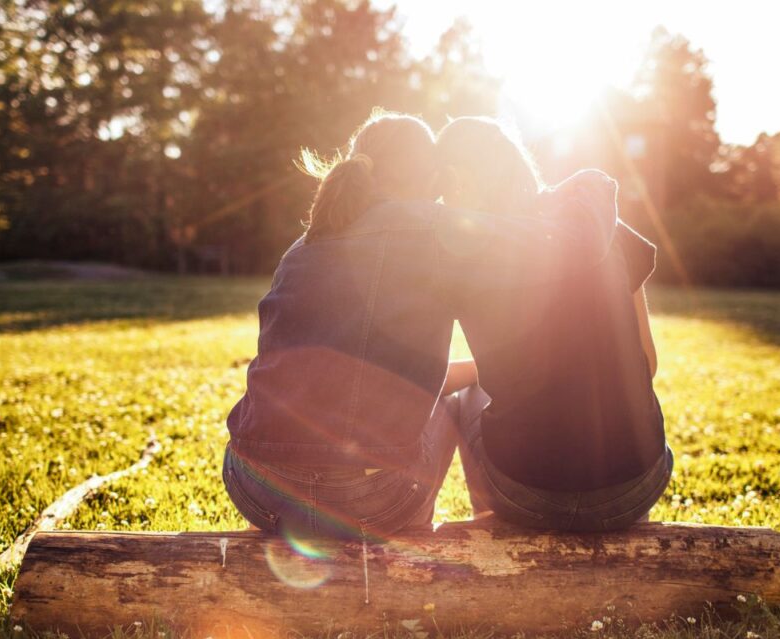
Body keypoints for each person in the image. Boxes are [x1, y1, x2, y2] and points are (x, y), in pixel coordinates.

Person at [223, 109, 618, 541]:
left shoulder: (306, 242)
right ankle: (422, 541)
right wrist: (594, 185)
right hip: (370, 499)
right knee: (449, 404)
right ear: (433, 178)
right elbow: (574, 244)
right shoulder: (440, 232)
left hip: (256, 486)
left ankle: (289, 540)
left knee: (433, 398)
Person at [436, 117, 672, 532]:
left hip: (527, 493)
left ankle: (497, 534)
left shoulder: (465, 250)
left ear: (457, 181)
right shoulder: (602, 224)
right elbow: (647, 363)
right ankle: (618, 527)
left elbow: (428, 375)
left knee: (463, 400)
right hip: (637, 485)